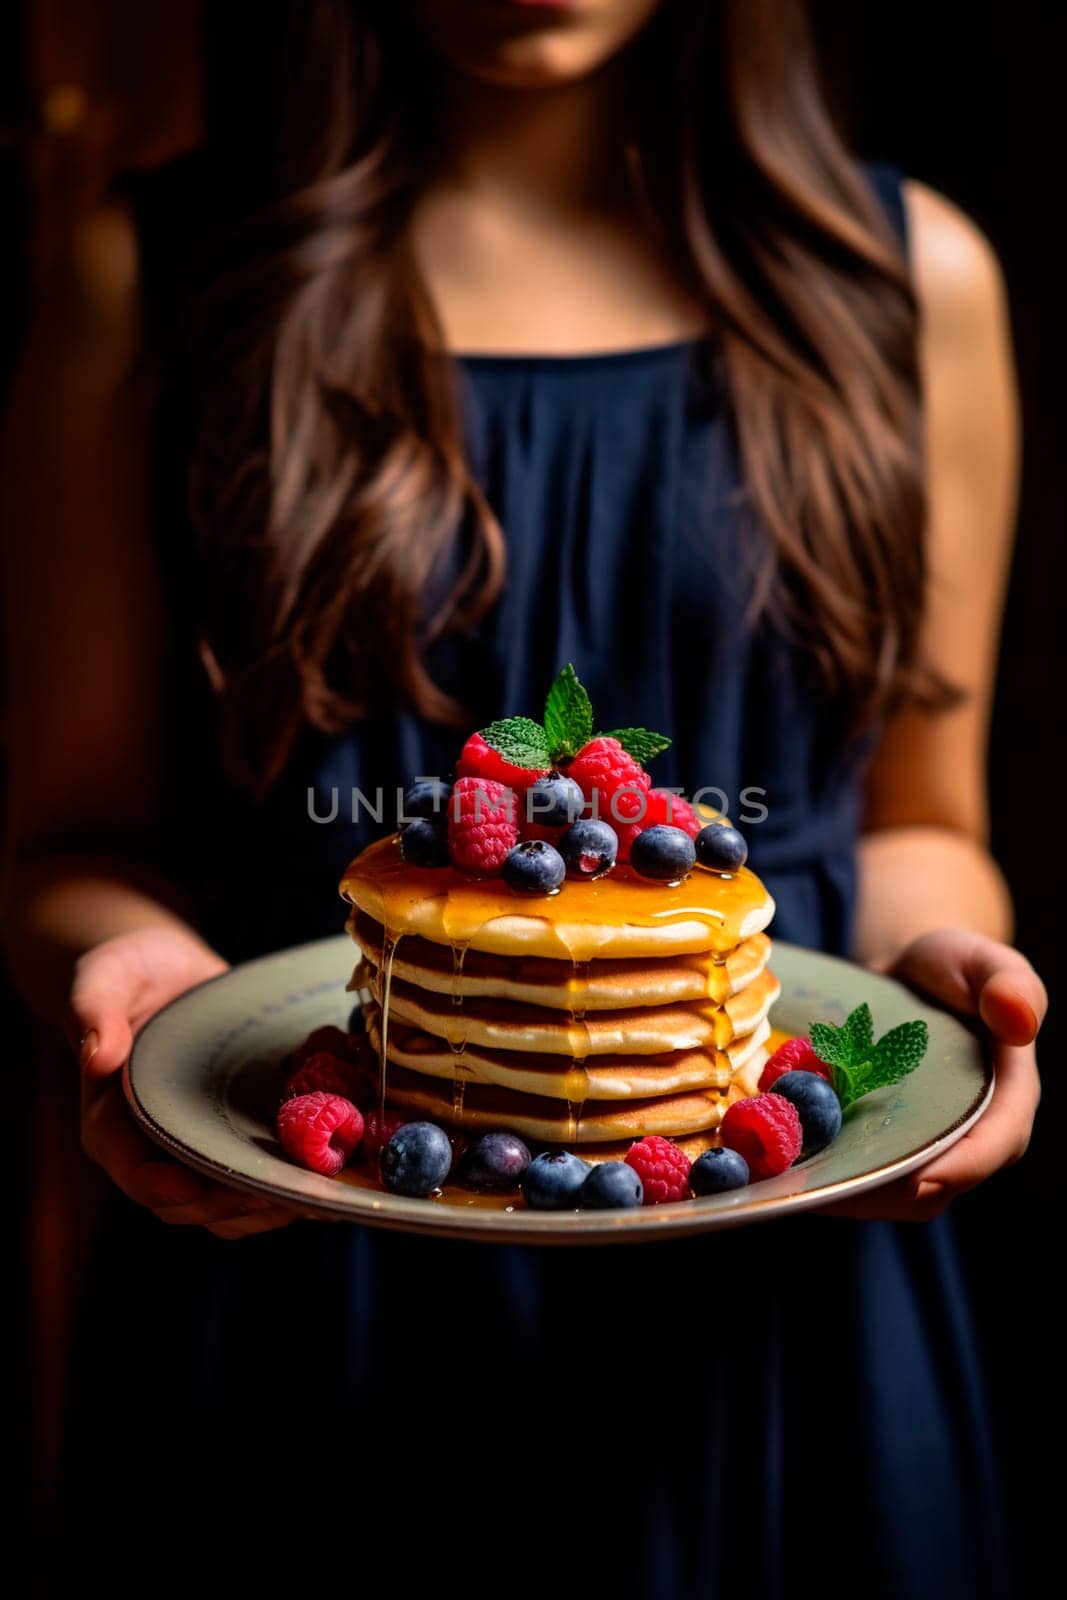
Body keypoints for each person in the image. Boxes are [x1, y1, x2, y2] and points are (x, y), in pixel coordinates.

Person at [2, 2, 1043, 1595]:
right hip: (303, 1235)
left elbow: (913, 825)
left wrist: (947, 992)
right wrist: (142, 992)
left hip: (767, 1249)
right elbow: (74, 843)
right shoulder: (145, 286)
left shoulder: (909, 287)